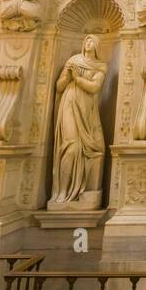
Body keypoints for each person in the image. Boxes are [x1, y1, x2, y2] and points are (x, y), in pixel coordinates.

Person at [49, 35, 107, 205]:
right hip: (69, 104)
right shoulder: (73, 60)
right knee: (72, 146)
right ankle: (62, 191)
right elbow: (59, 87)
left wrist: (78, 78)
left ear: (97, 46)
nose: (89, 43)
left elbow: (95, 87)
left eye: (92, 41)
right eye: (87, 40)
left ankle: (77, 192)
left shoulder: (100, 66)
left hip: (87, 109)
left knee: (91, 148)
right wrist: (67, 77)